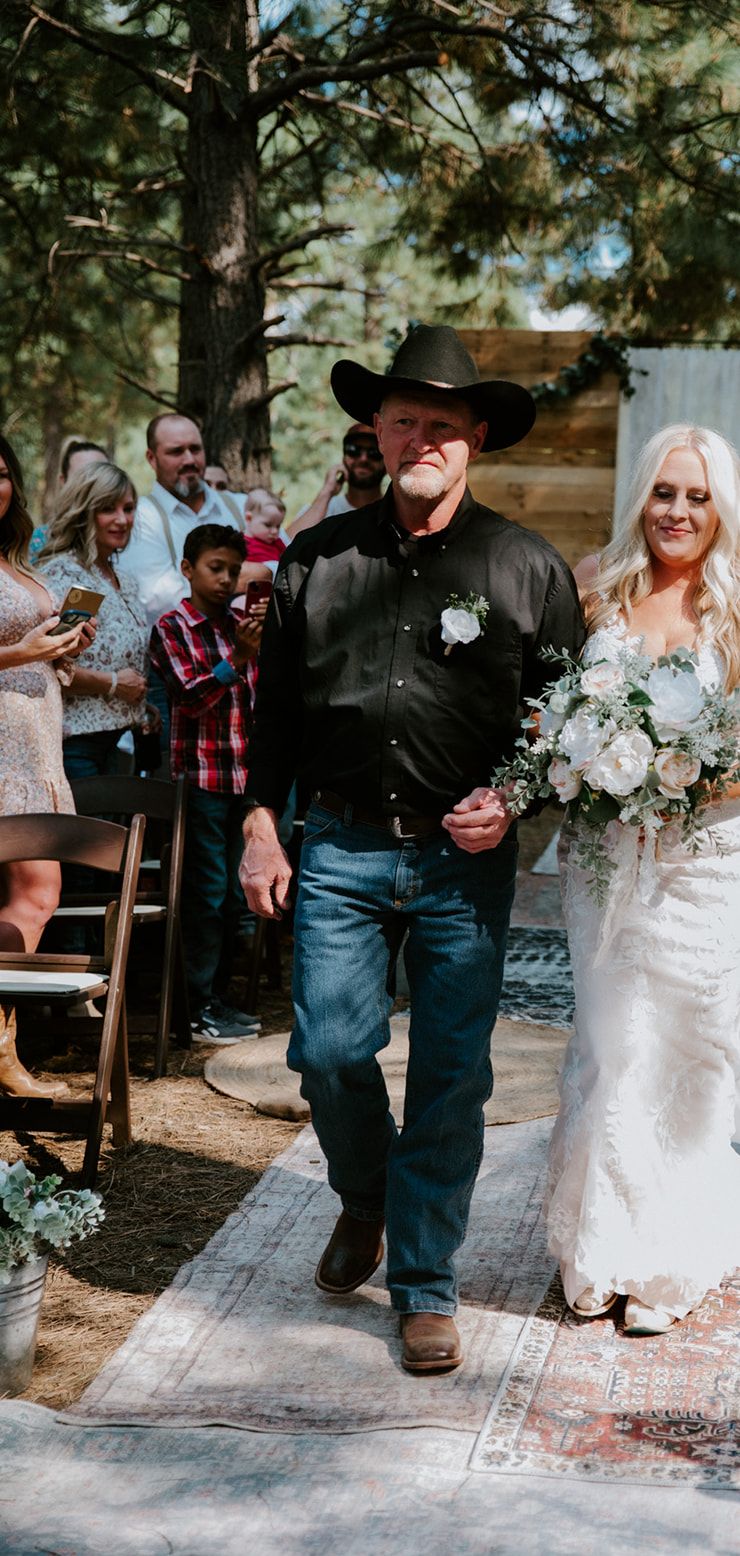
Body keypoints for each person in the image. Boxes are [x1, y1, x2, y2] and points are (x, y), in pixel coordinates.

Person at [240, 324, 584, 1377]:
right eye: (404, 419)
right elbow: (277, 714)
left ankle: (425, 1283)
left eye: (443, 423)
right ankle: (365, 1196)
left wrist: (516, 799)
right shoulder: (316, 559)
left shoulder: (524, 564)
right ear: (376, 431)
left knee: (449, 1075)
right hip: (337, 844)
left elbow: (570, 718)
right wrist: (260, 822)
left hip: (460, 861)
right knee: (332, 1052)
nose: (422, 437)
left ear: (475, 437)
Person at [543, 424, 740, 1335]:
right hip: (606, 857)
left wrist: (672, 782)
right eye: (662, 493)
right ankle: (598, 1245)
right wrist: (582, 765)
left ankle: (668, 1256)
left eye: (696, 496)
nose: (677, 512)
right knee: (612, 1040)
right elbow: (552, 712)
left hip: (715, 856)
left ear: (724, 506)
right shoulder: (596, 590)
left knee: (686, 1041)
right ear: (639, 497)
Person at [0, 431, 94, 1097]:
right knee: (38, 891)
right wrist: (19, 656)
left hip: (36, 742)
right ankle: (1, 1055)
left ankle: (1, 1052)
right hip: (3, 747)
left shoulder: (12, 560)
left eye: (2, 474)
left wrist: (63, 645)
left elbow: (30, 645)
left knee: (28, 894)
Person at [149, 525, 266, 1045]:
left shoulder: (242, 625)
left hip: (244, 779)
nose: (225, 580)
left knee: (235, 898)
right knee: (205, 896)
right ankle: (195, 1009)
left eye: (233, 571)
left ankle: (217, 1002)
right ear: (188, 569)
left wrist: (260, 650)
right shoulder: (173, 627)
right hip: (198, 780)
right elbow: (189, 699)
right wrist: (237, 660)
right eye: (215, 568)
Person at [37, 463, 156, 780]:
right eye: (107, 509)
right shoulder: (69, 576)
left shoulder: (125, 581)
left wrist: (141, 705)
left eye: (128, 508)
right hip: (75, 745)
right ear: (84, 513)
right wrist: (114, 684)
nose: (122, 519)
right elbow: (49, 665)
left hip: (117, 741)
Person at [122, 414, 245, 628]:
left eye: (195, 449)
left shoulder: (241, 506)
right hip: (184, 654)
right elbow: (158, 598)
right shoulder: (140, 517)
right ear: (152, 458)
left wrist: (266, 571)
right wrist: (248, 579)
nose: (189, 460)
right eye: (176, 452)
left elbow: (285, 569)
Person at [286, 418, 387, 537]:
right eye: (354, 450)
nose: (363, 459)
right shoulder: (323, 508)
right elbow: (286, 547)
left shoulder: (397, 512)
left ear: (386, 461)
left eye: (374, 453)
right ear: (344, 458)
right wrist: (326, 493)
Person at [29, 437, 110, 560]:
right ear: (64, 481)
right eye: (83, 477)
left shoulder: (122, 536)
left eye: (102, 476)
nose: (93, 486)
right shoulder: (37, 543)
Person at [241, 488, 288, 571]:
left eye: (278, 526)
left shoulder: (277, 543)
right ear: (249, 519)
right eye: (268, 525)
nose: (275, 531)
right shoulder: (240, 543)